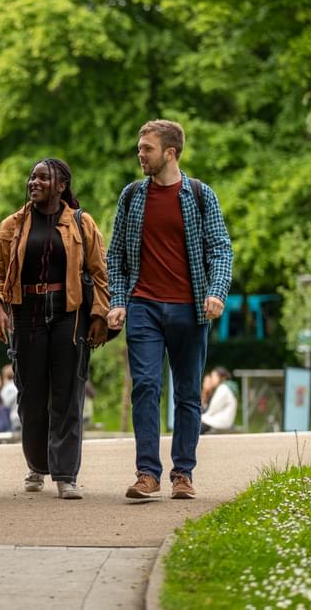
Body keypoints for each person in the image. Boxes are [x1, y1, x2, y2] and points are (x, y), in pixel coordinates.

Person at [106, 120, 233, 500]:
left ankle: (183, 474)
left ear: (170, 153)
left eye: (147, 148)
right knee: (145, 386)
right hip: (143, 306)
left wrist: (216, 292)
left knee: (189, 394)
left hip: (189, 310)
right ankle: (147, 473)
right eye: (139, 147)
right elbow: (116, 256)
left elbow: (220, 249)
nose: (140, 154)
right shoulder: (132, 196)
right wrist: (117, 301)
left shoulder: (199, 195)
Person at [0, 158, 111, 499]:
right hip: (25, 315)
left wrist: (99, 315)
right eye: (32, 177)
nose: (34, 182)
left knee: (68, 393)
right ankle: (37, 464)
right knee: (30, 396)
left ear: (61, 186)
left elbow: (100, 274)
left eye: (44, 178)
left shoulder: (82, 224)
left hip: (68, 316)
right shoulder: (13, 224)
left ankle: (66, 474)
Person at [201, 366, 238, 434]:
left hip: (220, 422)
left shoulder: (223, 389)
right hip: (224, 420)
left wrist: (201, 417)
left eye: (213, 376)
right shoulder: (227, 387)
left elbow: (213, 408)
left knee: (196, 428)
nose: (212, 379)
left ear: (220, 377)